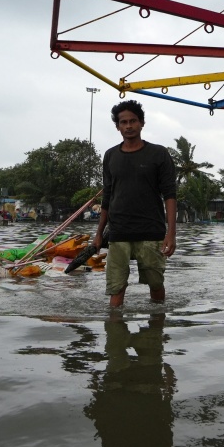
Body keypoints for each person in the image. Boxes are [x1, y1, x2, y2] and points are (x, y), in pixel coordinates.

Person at [93, 100, 177, 308]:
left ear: (141, 123)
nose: (128, 126)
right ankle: (115, 333)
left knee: (156, 284)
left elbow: (170, 195)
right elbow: (108, 196)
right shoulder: (111, 156)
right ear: (118, 126)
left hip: (151, 231)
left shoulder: (158, 154)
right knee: (116, 288)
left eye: (133, 121)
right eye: (123, 122)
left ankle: (156, 327)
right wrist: (99, 232)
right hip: (119, 231)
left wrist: (171, 234)